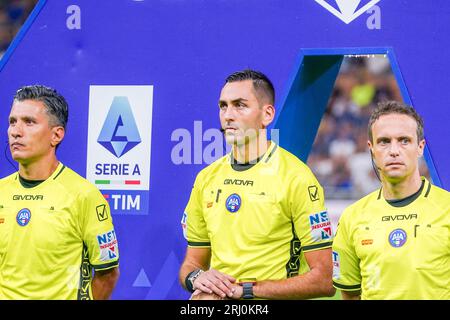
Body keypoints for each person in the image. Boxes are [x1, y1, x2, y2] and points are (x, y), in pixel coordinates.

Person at [178, 69, 335, 300]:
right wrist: (196, 278)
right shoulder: (206, 178)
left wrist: (245, 291)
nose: (228, 115)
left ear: (267, 114)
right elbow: (190, 264)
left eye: (240, 105)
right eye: (223, 106)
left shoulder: (296, 177)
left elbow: (325, 279)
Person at [0, 85, 120, 299]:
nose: (16, 131)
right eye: (12, 122)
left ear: (56, 135)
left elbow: (108, 273)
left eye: (29, 122)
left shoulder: (84, 195)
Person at [332, 101, 450, 300]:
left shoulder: (446, 207)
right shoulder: (352, 217)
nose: (394, 150)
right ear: (371, 148)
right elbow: (350, 295)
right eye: (384, 141)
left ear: (420, 147)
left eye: (404, 140)